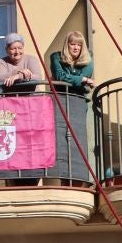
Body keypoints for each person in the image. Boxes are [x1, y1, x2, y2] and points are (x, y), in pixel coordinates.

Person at [49, 29, 93, 184]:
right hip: (60, 103)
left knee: (77, 140)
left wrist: (75, 79)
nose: (75, 48)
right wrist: (82, 79)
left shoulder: (88, 60)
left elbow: (67, 77)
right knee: (61, 141)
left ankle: (78, 180)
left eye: (79, 45)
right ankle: (64, 179)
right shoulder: (56, 57)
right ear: (67, 45)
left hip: (77, 104)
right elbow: (60, 76)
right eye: (72, 44)